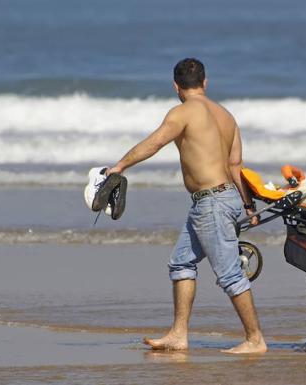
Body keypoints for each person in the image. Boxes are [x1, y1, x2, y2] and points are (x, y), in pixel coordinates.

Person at [106, 58, 266, 354]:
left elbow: (154, 143)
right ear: (205, 82)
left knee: (230, 273)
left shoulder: (182, 112)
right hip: (225, 197)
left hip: (211, 203)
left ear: (176, 86)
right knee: (181, 263)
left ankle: (255, 339)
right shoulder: (226, 115)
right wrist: (246, 206)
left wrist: (120, 166)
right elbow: (235, 165)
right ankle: (178, 334)